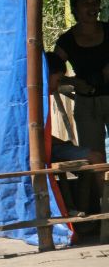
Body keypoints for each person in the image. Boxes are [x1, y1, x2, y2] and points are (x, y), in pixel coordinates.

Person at [46, 51, 105, 215]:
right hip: (47, 150)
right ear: (47, 75)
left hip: (50, 147)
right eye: (57, 80)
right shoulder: (34, 97)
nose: (57, 87)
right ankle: (105, 205)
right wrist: (59, 143)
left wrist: (60, 142)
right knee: (96, 157)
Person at [54, 0, 109, 162]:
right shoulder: (67, 40)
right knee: (94, 158)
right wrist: (73, 81)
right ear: (75, 10)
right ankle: (98, 190)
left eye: (95, 2)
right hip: (86, 103)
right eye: (86, 3)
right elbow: (52, 69)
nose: (92, 6)